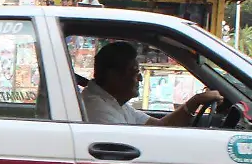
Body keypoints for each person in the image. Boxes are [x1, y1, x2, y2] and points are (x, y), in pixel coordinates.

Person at [82, 40, 222, 126]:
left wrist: (195, 101)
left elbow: (161, 126)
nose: (140, 78)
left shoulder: (114, 103)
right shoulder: (99, 111)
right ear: (113, 76)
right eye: (135, 72)